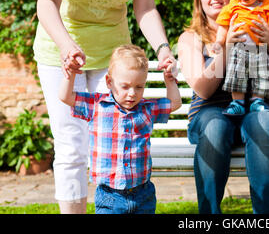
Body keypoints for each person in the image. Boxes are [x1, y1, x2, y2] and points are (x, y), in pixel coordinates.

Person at [33, 0, 175, 214]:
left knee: (114, 140)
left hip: (113, 60)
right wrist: (66, 45)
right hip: (63, 51)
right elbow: (46, 0)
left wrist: (162, 48)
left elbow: (145, 7)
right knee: (72, 146)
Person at [177, 0, 269, 214]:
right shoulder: (190, 38)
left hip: (255, 107)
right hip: (210, 113)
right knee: (216, 126)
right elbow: (203, 90)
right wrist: (226, 47)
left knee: (264, 121)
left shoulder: (257, 24)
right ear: (199, 1)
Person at [59, 44, 181, 214]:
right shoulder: (97, 105)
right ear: (109, 82)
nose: (132, 93)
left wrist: (170, 81)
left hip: (143, 193)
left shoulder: (147, 108)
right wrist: (70, 75)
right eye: (125, 86)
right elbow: (66, 97)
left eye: (139, 87)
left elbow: (175, 103)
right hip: (109, 196)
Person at [213, 0, 269, 116]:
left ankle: (257, 101)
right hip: (239, 47)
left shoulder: (265, 5)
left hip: (260, 48)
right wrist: (219, 41)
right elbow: (223, 26)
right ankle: (237, 103)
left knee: (262, 73)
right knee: (237, 73)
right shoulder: (233, 6)